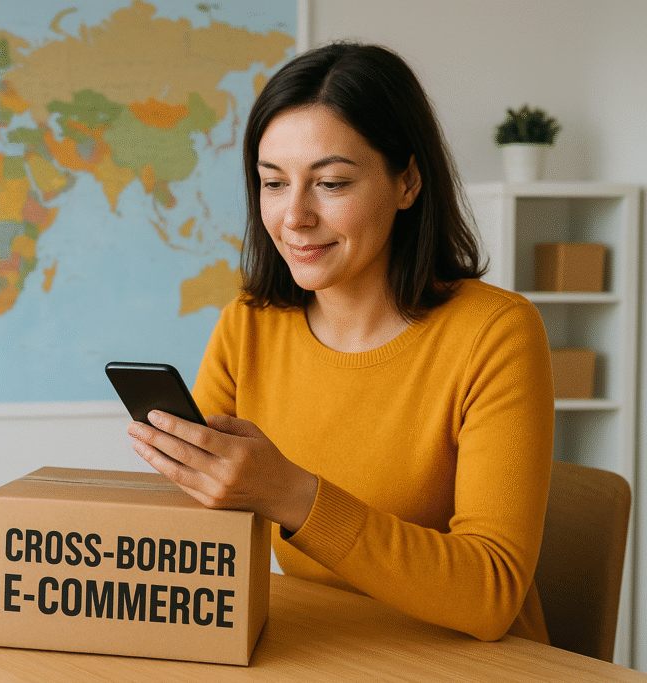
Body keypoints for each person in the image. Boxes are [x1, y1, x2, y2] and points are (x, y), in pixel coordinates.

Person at [127, 42, 554, 644]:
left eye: (329, 183)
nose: (294, 216)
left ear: (407, 181)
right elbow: (197, 530)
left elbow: (492, 595)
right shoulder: (248, 324)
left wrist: (294, 496)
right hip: (324, 647)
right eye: (273, 183)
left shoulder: (496, 333)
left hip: (471, 662)